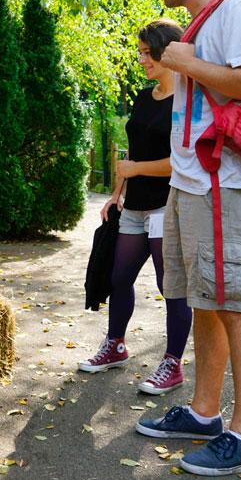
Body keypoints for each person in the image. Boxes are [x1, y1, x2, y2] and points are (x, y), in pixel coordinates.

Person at [132, 0, 241, 477]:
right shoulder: (202, 22)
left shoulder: (235, 8)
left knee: (235, 301)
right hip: (193, 185)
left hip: (225, 183)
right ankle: (205, 412)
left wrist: (182, 60)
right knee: (205, 300)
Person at [80, 20, 192, 396]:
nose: (142, 59)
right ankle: (116, 345)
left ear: (167, 51)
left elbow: (181, 161)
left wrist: (136, 169)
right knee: (117, 277)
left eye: (148, 53)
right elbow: (133, 151)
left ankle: (172, 363)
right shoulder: (145, 99)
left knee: (170, 286)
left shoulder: (187, 102)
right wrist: (116, 193)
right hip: (134, 206)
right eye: (141, 52)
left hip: (166, 207)